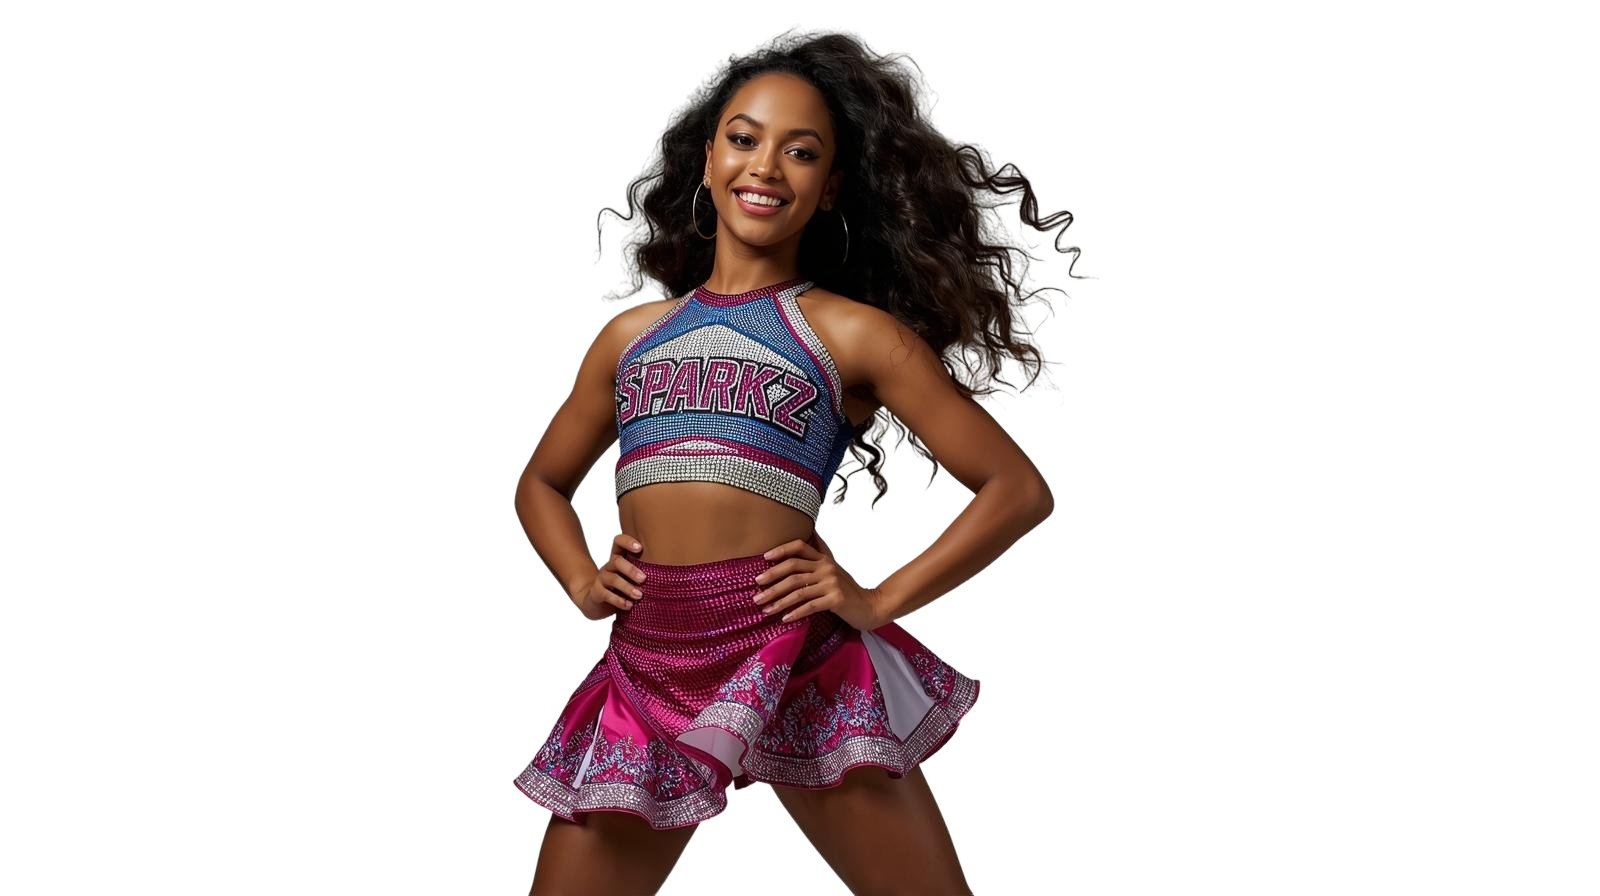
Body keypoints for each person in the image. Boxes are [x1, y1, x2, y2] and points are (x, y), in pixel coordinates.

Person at [512, 30, 1077, 896]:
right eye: (744, 139)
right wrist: (583, 581)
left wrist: (878, 598)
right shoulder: (630, 339)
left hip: (795, 654)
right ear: (706, 161)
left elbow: (1016, 489)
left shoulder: (852, 333)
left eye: (801, 152)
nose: (766, 167)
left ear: (831, 186)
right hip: (648, 663)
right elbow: (541, 483)